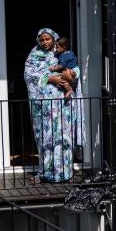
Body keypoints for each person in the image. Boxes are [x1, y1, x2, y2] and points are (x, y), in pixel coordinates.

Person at [23, 28, 85, 183]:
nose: (45, 42)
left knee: (64, 137)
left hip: (63, 105)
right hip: (44, 107)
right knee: (46, 138)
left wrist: (71, 74)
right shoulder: (34, 55)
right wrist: (51, 79)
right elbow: (29, 75)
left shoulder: (63, 53)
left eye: (48, 39)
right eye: (42, 40)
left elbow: (75, 69)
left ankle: (66, 173)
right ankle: (45, 173)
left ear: (54, 40)